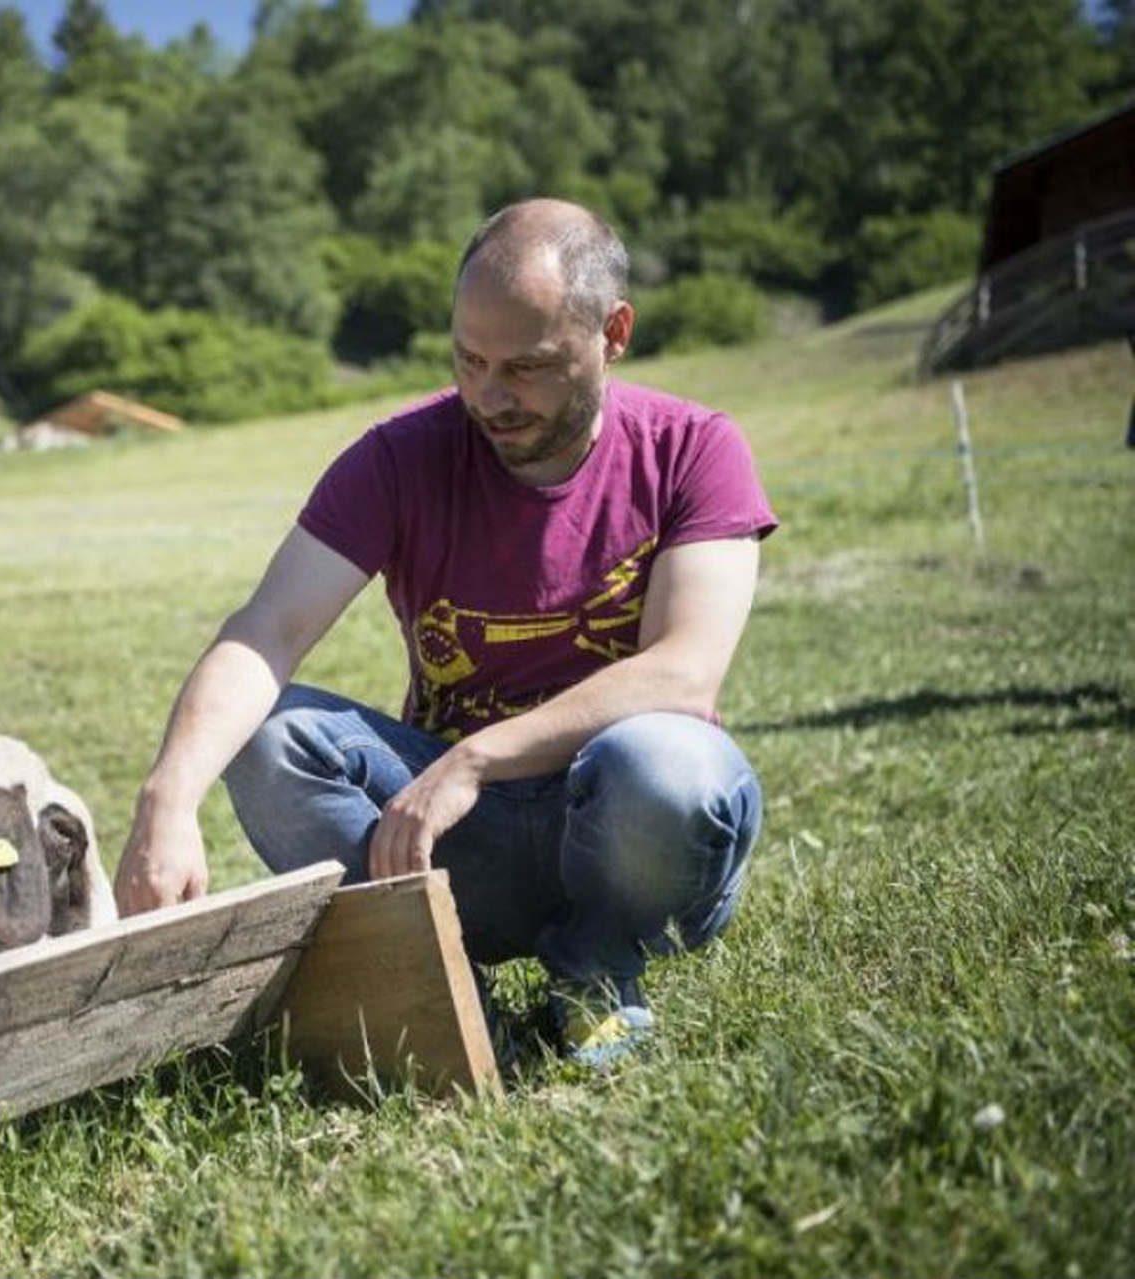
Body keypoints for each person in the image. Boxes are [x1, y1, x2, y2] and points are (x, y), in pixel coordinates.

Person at [113, 198, 777, 1069]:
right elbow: (268, 629)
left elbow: (682, 675)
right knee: (269, 739)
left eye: (527, 367)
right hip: (466, 843)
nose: (489, 397)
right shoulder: (397, 458)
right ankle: (439, 978)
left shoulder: (694, 448)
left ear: (613, 333)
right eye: (469, 359)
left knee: (666, 762)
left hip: (634, 841)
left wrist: (471, 758)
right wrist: (166, 798)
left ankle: (600, 965)